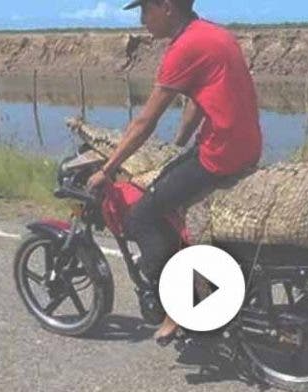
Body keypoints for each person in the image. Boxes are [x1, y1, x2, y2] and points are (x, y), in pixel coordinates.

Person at [86, 0, 262, 343]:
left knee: (142, 217)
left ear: (167, 7)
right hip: (244, 145)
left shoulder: (184, 48)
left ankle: (178, 307)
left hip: (221, 154)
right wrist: (178, 143)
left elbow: (144, 121)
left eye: (145, 10)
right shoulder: (212, 34)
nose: (142, 19)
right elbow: (200, 98)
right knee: (172, 199)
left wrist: (107, 169)